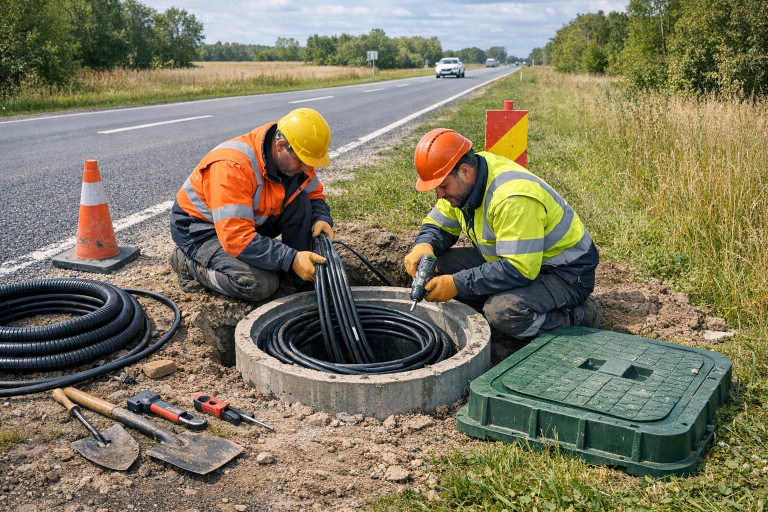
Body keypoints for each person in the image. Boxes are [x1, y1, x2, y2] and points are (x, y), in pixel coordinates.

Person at [404, 128, 601, 340]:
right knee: (438, 265)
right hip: (514, 259)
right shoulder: (472, 177)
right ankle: (502, 298)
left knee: (502, 313)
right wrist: (424, 245)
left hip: (565, 273)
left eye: (443, 186)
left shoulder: (513, 198)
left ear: (464, 171)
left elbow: (519, 269)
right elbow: (439, 223)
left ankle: (581, 316)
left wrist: (457, 284)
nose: (439, 194)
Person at [169, 108, 333, 301]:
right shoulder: (232, 167)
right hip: (201, 230)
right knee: (260, 284)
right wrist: (290, 258)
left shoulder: (295, 160)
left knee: (301, 202)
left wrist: (322, 218)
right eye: (303, 161)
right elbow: (236, 237)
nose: (308, 168)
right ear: (280, 146)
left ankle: (298, 279)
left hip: (247, 221)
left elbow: (313, 194)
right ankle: (188, 262)